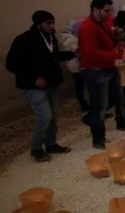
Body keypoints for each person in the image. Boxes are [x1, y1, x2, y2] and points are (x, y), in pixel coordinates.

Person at [5, 11, 76, 161]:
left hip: (52, 83)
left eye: (52, 22)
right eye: (48, 23)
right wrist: (34, 79)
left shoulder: (50, 38)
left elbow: (54, 56)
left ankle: (51, 144)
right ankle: (36, 148)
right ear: (38, 24)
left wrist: (72, 54)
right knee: (45, 116)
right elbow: (11, 64)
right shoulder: (23, 40)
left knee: (53, 117)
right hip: (34, 86)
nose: (51, 26)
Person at [78, 0, 125, 149]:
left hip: (108, 66)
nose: (109, 13)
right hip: (94, 69)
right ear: (95, 10)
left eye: (110, 10)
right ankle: (98, 139)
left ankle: (91, 118)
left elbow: (107, 44)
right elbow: (92, 53)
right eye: (106, 10)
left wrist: (117, 37)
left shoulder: (103, 23)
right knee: (100, 105)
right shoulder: (87, 28)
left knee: (117, 96)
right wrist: (119, 55)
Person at [61, 19, 89, 112]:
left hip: (80, 64)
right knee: (80, 85)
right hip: (76, 66)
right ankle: (83, 104)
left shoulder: (75, 37)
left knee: (81, 85)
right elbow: (77, 51)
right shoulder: (70, 39)